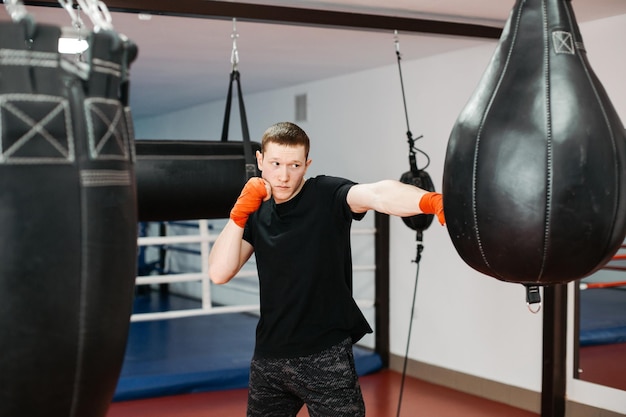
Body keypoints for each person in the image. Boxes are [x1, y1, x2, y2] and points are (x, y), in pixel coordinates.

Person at [208, 121, 444, 417]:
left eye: (294, 165)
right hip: (269, 359)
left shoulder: (325, 194)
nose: (283, 175)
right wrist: (239, 214)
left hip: (325, 357)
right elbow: (219, 272)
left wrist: (431, 201)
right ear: (260, 161)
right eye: (275, 163)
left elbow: (377, 194)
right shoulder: (256, 210)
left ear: (306, 164)